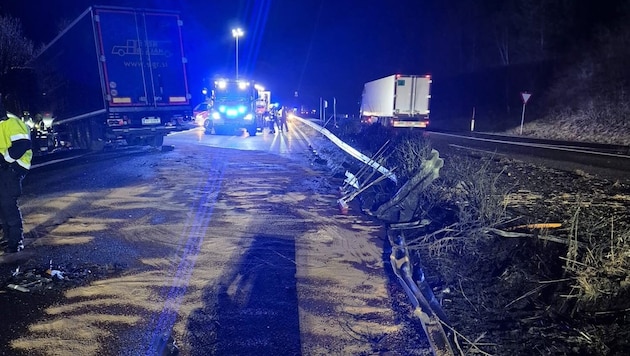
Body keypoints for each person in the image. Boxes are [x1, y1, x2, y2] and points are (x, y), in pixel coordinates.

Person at [0, 94, 32, 254]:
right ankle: (8, 238)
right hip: (4, 168)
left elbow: (23, 145)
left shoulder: (11, 122)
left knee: (7, 204)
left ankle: (15, 241)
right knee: (2, 205)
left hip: (13, 168)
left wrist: (4, 158)